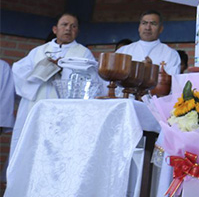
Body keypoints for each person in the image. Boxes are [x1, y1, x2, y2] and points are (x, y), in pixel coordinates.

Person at [10, 13, 98, 155]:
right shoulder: (39, 51)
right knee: (30, 147)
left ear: (78, 31)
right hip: (36, 105)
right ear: (55, 29)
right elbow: (18, 72)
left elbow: (91, 80)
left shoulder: (84, 53)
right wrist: (40, 72)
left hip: (64, 110)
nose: (68, 29)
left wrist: (64, 71)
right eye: (64, 25)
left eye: (73, 26)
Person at [116, 10, 182, 76]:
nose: (148, 28)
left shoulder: (171, 54)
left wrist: (152, 71)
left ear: (161, 29)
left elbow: (172, 81)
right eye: (144, 23)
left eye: (153, 24)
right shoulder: (123, 51)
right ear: (139, 27)